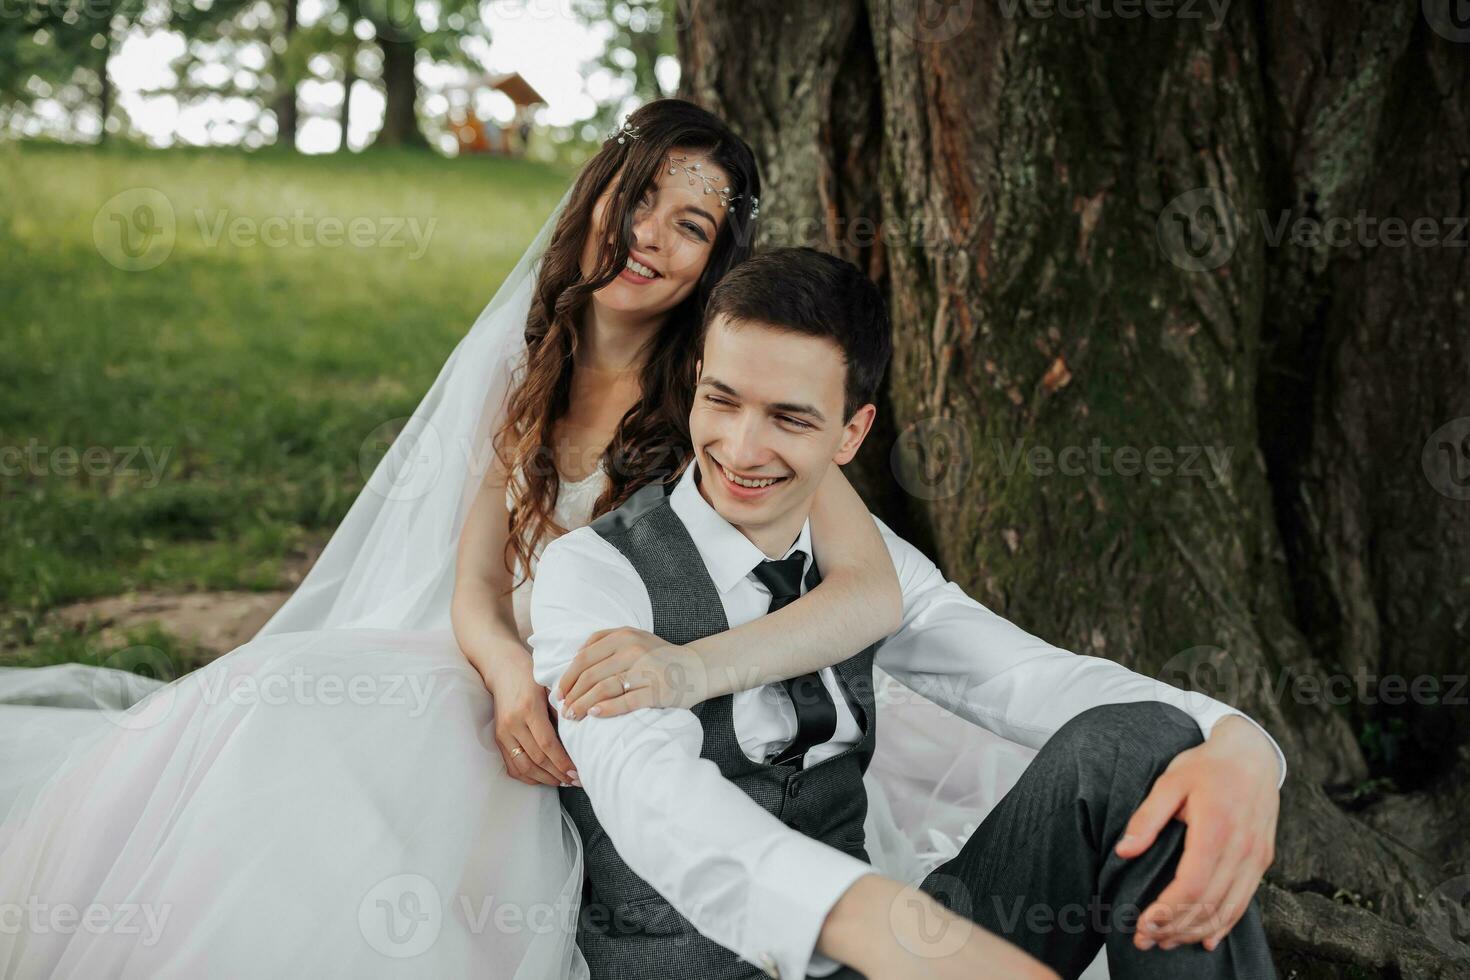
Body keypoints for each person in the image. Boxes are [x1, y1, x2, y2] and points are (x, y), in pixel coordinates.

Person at [0, 100, 910, 978]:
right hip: (485, 665)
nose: (648, 236)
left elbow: (870, 591)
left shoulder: (721, 403)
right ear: (596, 194)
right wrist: (507, 674)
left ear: (714, 263)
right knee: (270, 703)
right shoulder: (530, 364)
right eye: (637, 200)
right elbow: (476, 580)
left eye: (690, 226)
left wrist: (689, 668)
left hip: (608, 699)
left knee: (341, 741)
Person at [527, 247, 1287, 980]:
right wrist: (870, 923)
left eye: (790, 420)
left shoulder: (868, 564)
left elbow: (1032, 681)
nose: (741, 446)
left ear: (852, 433)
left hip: (885, 961)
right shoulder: (594, 573)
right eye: (722, 399)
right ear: (696, 381)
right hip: (753, 960)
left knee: (1149, 745)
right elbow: (651, 799)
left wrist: (1239, 743)